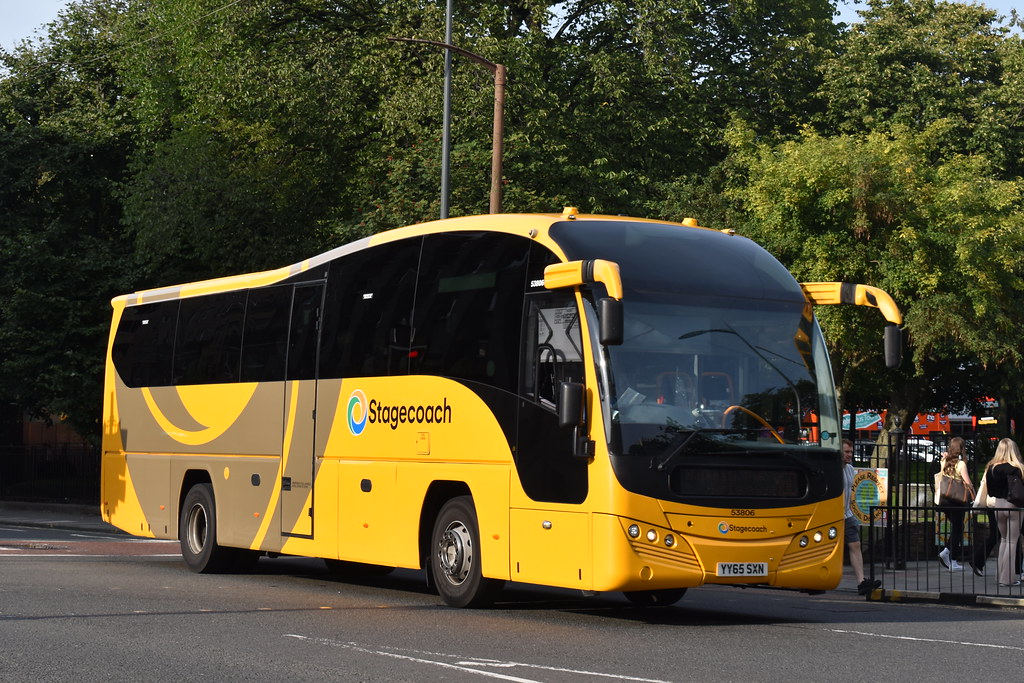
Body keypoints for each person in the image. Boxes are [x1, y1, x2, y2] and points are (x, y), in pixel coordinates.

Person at [979, 438, 1024, 587]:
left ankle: (1000, 576)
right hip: (1013, 505)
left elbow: (991, 491)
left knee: (1004, 541)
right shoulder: (1016, 468)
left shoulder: (991, 468)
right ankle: (1007, 579)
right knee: (1012, 541)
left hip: (998, 505)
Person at [842, 439, 880, 595]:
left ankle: (861, 582)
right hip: (833, 516)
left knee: (855, 544)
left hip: (846, 513)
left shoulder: (850, 469)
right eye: (846, 452)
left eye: (851, 452)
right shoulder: (833, 469)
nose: (850, 455)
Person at [935, 437, 975, 571]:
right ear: (962, 448)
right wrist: (974, 491)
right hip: (957, 500)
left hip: (945, 500)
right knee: (958, 529)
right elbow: (968, 482)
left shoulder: (944, 460)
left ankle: (949, 556)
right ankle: (949, 556)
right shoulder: (961, 464)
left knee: (957, 528)